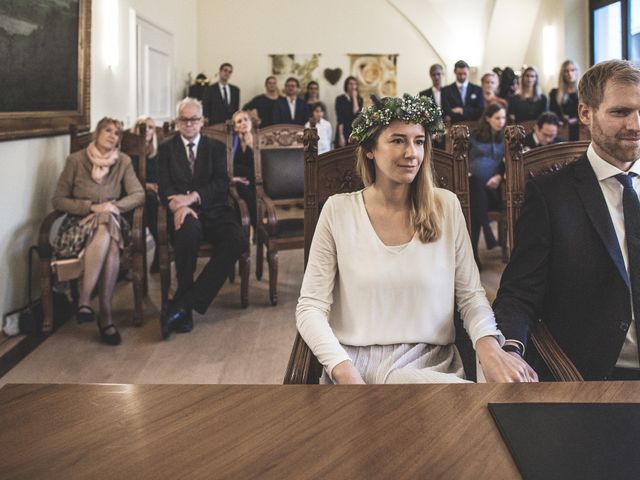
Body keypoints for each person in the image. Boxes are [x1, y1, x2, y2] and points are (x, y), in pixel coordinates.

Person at [296, 94, 525, 385]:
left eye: (419, 141)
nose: (411, 153)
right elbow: (311, 307)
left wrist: (490, 347)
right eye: (398, 140)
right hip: (354, 369)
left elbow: (470, 297)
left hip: (431, 368)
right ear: (370, 149)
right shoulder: (338, 210)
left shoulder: (446, 207)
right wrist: (342, 370)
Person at [493, 59, 640, 381]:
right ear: (586, 114)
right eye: (620, 112)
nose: (636, 124)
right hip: (593, 374)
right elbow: (519, 293)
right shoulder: (551, 196)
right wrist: (510, 350)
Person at [158, 98, 248, 339]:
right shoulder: (166, 148)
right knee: (187, 232)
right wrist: (179, 207)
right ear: (177, 122)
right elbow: (163, 186)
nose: (189, 124)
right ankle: (184, 310)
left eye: (194, 119)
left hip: (215, 210)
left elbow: (221, 184)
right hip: (183, 214)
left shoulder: (216, 147)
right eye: (184, 119)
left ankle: (184, 302)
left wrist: (192, 198)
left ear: (202, 121)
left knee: (238, 240)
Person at [52, 117, 145, 345]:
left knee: (106, 222)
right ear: (97, 133)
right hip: (78, 225)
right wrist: (91, 207)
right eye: (108, 130)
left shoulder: (122, 161)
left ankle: (85, 301)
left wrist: (114, 207)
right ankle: (106, 316)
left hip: (112, 219)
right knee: (111, 242)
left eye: (117, 133)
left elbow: (138, 194)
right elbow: (58, 200)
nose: (113, 135)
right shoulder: (75, 161)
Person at [468, 104, 506, 267]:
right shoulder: (474, 136)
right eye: (497, 118)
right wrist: (466, 174)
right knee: (475, 187)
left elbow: (509, 164)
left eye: (503, 118)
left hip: (494, 190)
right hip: (472, 186)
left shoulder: (507, 138)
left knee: (476, 203)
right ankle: (488, 234)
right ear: (488, 118)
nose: (501, 121)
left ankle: (474, 255)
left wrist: (498, 177)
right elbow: (461, 159)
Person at [131, 115, 161, 273]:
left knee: (153, 201)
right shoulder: (129, 150)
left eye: (150, 127)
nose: (147, 130)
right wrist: (146, 185)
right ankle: (159, 245)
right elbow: (129, 177)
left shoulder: (157, 150)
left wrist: (157, 186)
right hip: (136, 191)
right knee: (149, 200)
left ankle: (160, 247)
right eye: (143, 126)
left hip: (156, 191)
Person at [231, 110, 257, 230]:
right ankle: (255, 226)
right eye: (239, 121)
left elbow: (262, 165)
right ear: (235, 127)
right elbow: (227, 165)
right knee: (242, 189)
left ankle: (250, 227)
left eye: (246, 119)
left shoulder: (258, 140)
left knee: (249, 191)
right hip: (235, 180)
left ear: (250, 122)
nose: (243, 123)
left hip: (255, 179)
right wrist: (232, 178)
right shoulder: (231, 142)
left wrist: (251, 145)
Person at [549, 60, 581, 140]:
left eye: (572, 70)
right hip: (561, 130)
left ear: (577, 72)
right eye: (566, 71)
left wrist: (576, 119)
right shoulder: (555, 93)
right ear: (562, 74)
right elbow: (553, 112)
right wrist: (560, 120)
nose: (570, 74)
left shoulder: (583, 92)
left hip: (580, 130)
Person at [335, 76, 363, 147]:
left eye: (355, 84)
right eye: (350, 84)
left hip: (354, 131)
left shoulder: (359, 99)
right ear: (346, 85)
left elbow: (356, 113)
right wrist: (341, 136)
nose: (353, 86)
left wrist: (354, 97)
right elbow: (340, 119)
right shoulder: (340, 99)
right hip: (343, 130)